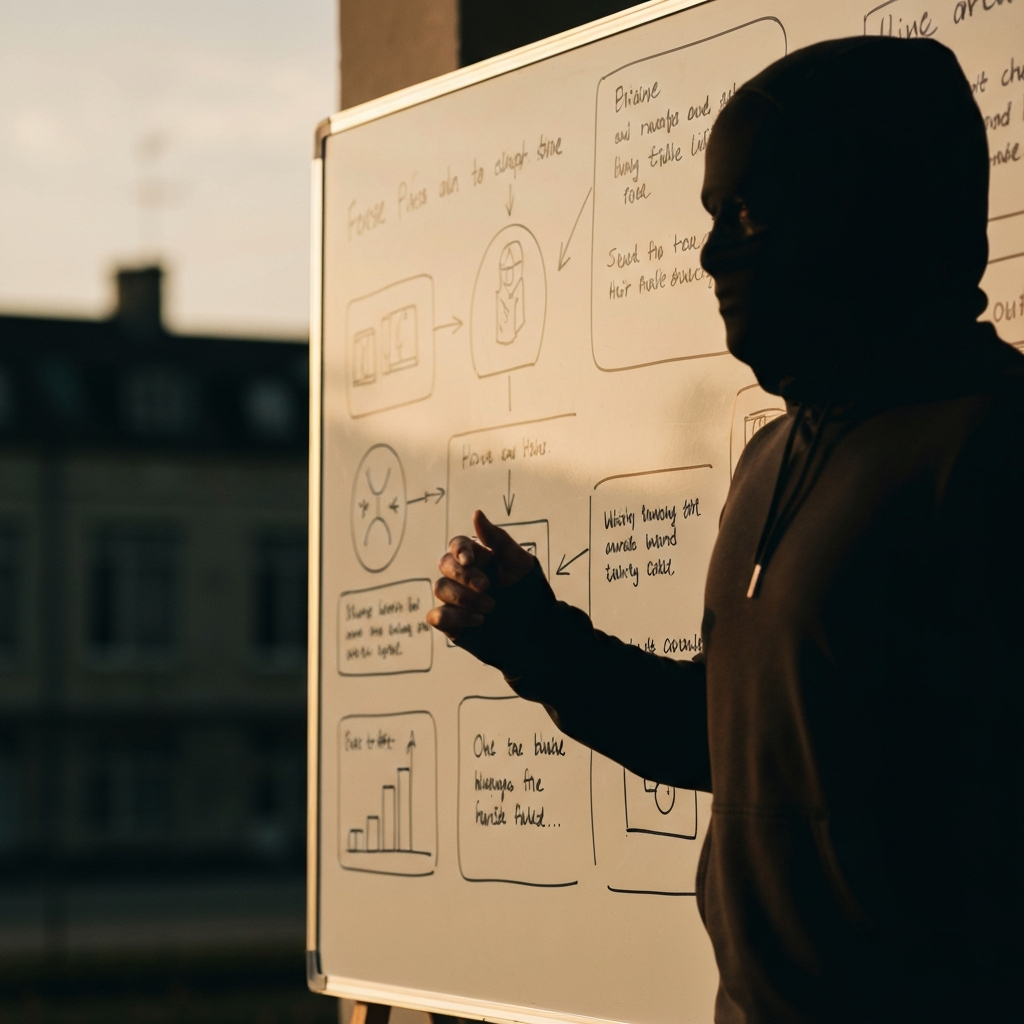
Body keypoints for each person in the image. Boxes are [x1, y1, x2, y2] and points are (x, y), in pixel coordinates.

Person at [427, 36, 1023, 1024]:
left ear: (855, 210)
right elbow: (734, 741)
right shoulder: (772, 459)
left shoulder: (992, 451)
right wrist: (533, 639)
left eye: (747, 214)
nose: (711, 256)